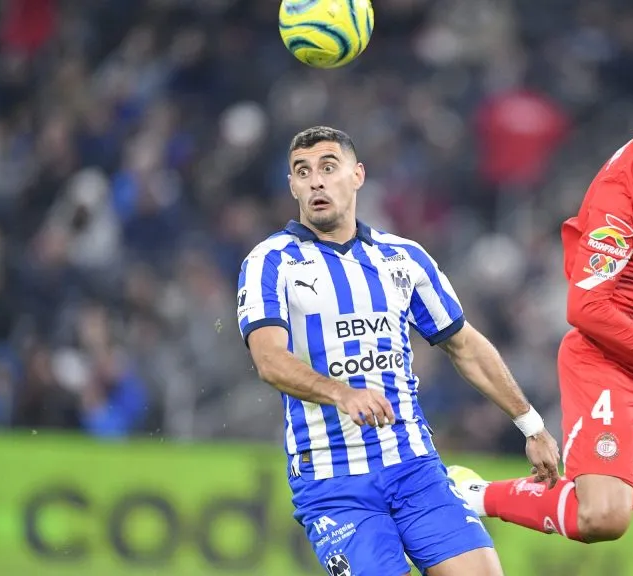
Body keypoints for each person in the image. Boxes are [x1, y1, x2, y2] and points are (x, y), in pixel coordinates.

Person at [450, 48, 633, 576]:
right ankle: (470, 494)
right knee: (604, 518)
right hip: (611, 363)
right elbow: (584, 309)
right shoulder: (625, 190)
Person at [237, 126, 561, 576]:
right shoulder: (269, 262)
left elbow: (463, 344)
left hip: (414, 467)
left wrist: (532, 425)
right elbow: (268, 359)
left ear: (357, 175)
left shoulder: (402, 258)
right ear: (292, 185)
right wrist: (342, 393)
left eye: (329, 168)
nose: (316, 181)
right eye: (302, 172)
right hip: (334, 482)